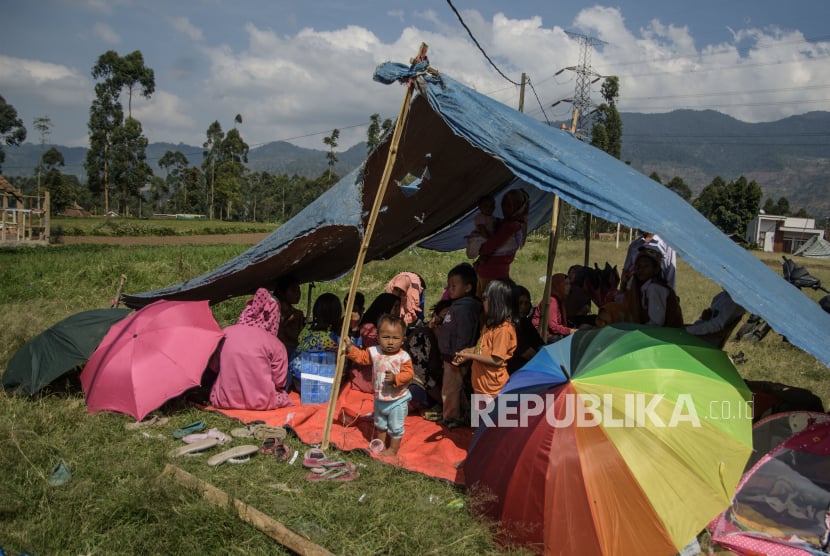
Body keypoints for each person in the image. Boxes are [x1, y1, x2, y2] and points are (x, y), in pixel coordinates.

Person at [342, 314, 413, 457]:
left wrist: (396, 378)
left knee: (395, 427)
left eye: (395, 338)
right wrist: (350, 349)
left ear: (403, 340)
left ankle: (393, 449)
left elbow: (409, 374)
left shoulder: (403, 357)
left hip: (397, 400)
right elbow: (362, 357)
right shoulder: (374, 352)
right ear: (378, 337)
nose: (391, 342)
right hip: (380, 398)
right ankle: (380, 445)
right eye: (386, 337)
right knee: (380, 424)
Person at [210, 288, 293, 410]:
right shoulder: (275, 344)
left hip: (223, 400)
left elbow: (214, 367)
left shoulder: (226, 333)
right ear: (274, 319)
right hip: (262, 402)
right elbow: (280, 381)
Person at [454, 279, 517, 401]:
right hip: (481, 385)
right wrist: (468, 352)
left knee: (491, 419)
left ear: (496, 302)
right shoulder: (489, 325)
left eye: (485, 299)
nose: (483, 302)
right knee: (480, 419)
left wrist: (472, 356)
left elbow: (496, 359)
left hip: (493, 389)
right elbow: (482, 348)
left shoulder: (503, 329)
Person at [437, 262, 482, 428]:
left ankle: (450, 417)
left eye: (454, 286)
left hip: (456, 356)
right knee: (456, 387)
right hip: (453, 355)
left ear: (468, 287)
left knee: (450, 390)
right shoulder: (458, 306)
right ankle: (459, 415)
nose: (449, 289)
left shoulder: (464, 308)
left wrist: (460, 353)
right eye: (448, 286)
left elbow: (465, 333)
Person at [475, 188, 530, 297]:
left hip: (492, 273)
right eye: (504, 204)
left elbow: (491, 245)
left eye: (510, 205)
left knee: (490, 306)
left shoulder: (511, 226)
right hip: (497, 272)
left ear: (519, 207)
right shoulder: (516, 224)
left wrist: (481, 252)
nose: (505, 208)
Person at [288, 292, 342, 392]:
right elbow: (344, 353)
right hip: (314, 385)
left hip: (296, 379)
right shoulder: (332, 337)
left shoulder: (307, 329)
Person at [406, 298, 451, 414]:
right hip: (418, 384)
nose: (446, 322)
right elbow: (420, 373)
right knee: (414, 392)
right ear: (435, 319)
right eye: (444, 318)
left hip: (437, 387)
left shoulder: (454, 341)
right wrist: (442, 400)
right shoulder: (422, 336)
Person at [349, 293, 400, 393]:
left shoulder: (388, 326)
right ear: (385, 307)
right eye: (395, 307)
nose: (398, 311)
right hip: (370, 370)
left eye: (399, 307)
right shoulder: (368, 328)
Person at [622, 247, 684, 328]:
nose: (641, 269)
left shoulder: (655, 288)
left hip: (666, 333)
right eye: (639, 266)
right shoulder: (639, 286)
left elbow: (657, 323)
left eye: (646, 266)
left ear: (656, 269)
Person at [508, 285, 545, 374]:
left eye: (526, 303)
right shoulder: (509, 325)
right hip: (514, 371)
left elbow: (538, 343)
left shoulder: (525, 322)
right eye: (520, 303)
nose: (523, 307)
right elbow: (526, 352)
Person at [532, 273, 577, 342]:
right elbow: (553, 326)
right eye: (566, 284)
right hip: (543, 335)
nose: (569, 286)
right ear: (558, 285)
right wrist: (570, 331)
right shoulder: (552, 301)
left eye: (569, 284)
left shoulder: (560, 300)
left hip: (551, 334)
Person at [273, 274, 305, 356]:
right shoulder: (273, 313)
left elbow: (298, 336)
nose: (298, 294)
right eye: (293, 290)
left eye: (298, 290)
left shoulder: (298, 314)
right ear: (281, 292)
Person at [465, 194, 496, 259]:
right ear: (480, 207)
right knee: (477, 242)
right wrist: (490, 239)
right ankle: (472, 253)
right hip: (481, 235)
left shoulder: (492, 218)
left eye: (491, 206)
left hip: (488, 236)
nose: (489, 208)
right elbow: (482, 229)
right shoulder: (480, 217)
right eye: (485, 206)